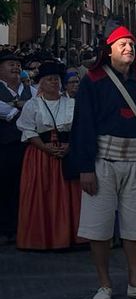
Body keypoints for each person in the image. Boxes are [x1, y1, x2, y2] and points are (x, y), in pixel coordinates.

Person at [69, 26, 136, 299]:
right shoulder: (93, 81)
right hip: (102, 162)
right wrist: (86, 167)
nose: (128, 48)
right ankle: (104, 284)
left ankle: (135, 282)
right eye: (122, 44)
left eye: (131, 45)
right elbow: (83, 125)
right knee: (98, 226)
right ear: (109, 49)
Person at [15, 62, 82, 250]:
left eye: (57, 79)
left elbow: (79, 129)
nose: (54, 83)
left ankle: (69, 236)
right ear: (41, 83)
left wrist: (68, 146)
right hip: (40, 156)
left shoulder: (71, 104)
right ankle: (41, 238)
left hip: (66, 154)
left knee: (69, 195)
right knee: (41, 194)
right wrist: (45, 148)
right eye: (49, 79)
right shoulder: (33, 104)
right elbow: (28, 130)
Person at [0, 50, 34, 244]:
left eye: (17, 64)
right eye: (10, 64)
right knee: (4, 186)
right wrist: (18, 107)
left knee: (23, 187)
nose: (15, 67)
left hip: (26, 146)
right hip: (3, 146)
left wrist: (20, 106)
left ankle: (22, 227)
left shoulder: (31, 90)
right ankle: (4, 228)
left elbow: (39, 109)